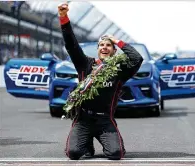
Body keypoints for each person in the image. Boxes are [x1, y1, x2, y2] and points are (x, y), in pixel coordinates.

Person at [58, 3, 143, 160]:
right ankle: (87, 144)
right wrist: (63, 18)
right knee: (74, 153)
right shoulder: (85, 64)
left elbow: (137, 59)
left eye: (108, 45)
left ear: (114, 50)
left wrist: (117, 40)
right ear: (97, 49)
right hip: (83, 119)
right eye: (101, 45)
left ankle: (107, 141)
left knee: (116, 154)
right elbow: (71, 44)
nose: (104, 47)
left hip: (105, 120)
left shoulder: (119, 69)